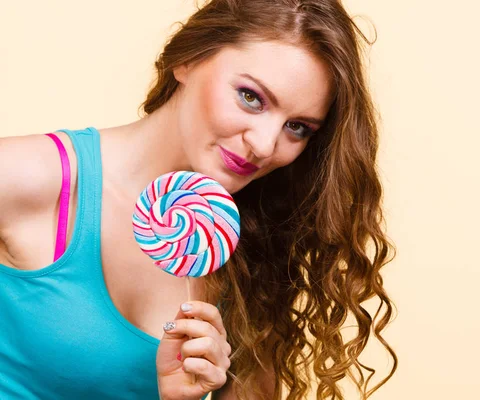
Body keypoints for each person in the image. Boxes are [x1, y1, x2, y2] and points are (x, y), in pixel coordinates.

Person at [0, 0, 397, 398]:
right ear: (187, 60)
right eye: (251, 97)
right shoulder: (28, 177)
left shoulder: (254, 250)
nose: (264, 144)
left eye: (297, 127)